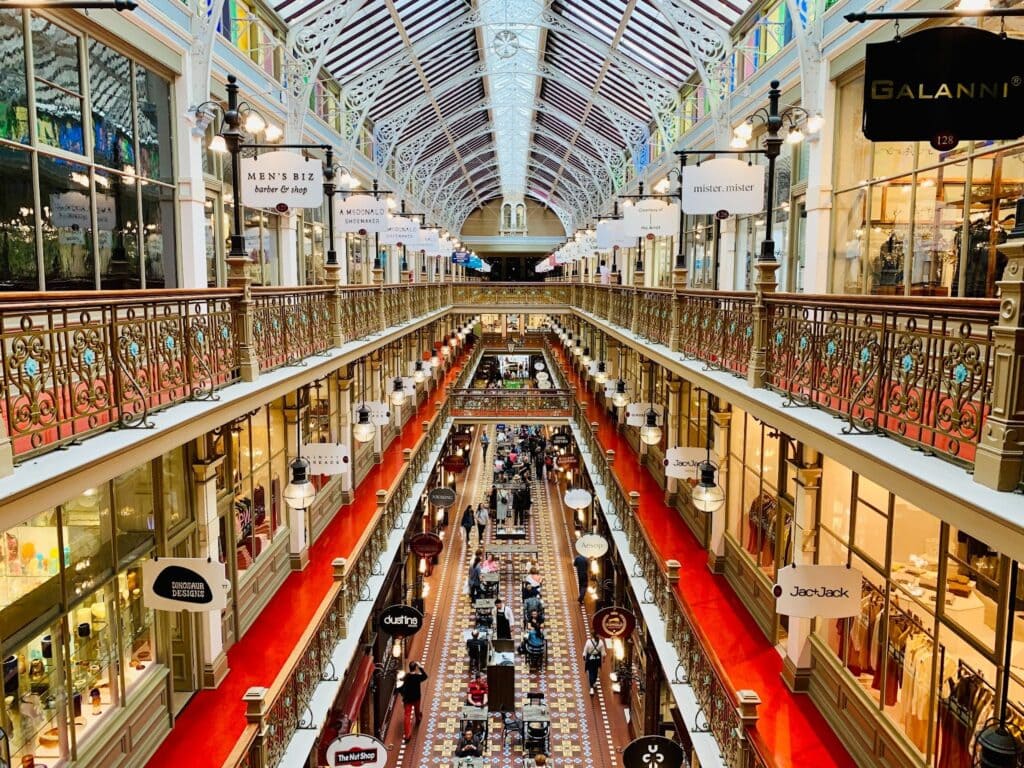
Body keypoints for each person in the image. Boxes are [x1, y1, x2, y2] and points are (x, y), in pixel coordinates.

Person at [398, 661, 428, 743]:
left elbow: (401, 683)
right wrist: (420, 667)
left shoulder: (406, 676)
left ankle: (407, 735)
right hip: (416, 697)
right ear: (415, 668)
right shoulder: (417, 677)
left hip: (408, 699)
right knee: (417, 710)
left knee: (407, 716)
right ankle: (418, 719)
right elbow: (425, 676)